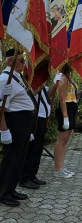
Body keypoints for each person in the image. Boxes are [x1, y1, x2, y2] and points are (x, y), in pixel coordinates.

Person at [0, 49, 36, 207]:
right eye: (21, 61)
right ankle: (3, 193)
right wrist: (4, 130)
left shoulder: (17, 77)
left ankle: (11, 188)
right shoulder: (4, 78)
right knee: (10, 159)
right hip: (14, 123)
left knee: (19, 159)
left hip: (23, 124)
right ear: (10, 61)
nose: (24, 63)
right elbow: (0, 107)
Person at [19, 73, 63, 189]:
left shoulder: (42, 86)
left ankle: (32, 175)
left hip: (43, 119)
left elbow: (50, 94)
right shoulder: (30, 84)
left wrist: (54, 83)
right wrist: (41, 84)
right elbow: (32, 93)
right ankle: (24, 178)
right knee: (32, 149)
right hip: (35, 119)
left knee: (38, 149)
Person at [54, 63, 80, 178]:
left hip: (72, 108)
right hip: (66, 109)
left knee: (65, 140)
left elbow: (73, 96)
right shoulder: (63, 77)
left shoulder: (70, 78)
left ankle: (62, 166)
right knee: (61, 140)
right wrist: (65, 117)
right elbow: (62, 98)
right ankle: (57, 169)